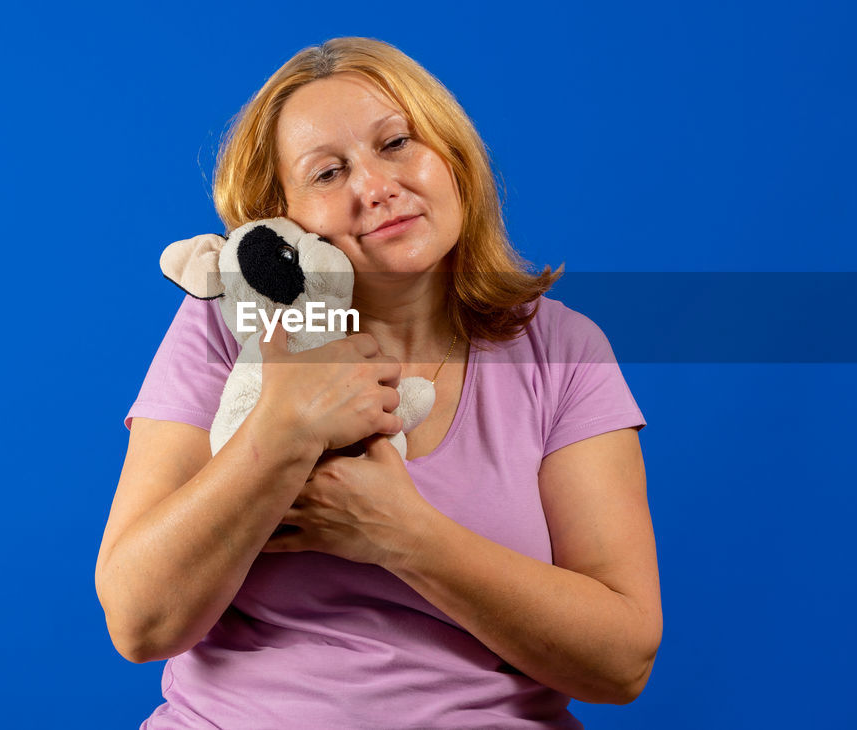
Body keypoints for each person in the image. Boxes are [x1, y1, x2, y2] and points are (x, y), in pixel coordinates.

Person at [95, 37, 662, 729]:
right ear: (283, 216)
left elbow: (622, 662)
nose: (375, 186)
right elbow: (138, 623)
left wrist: (399, 533)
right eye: (328, 173)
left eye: (396, 143)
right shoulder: (225, 324)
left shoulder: (563, 349)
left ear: (450, 154)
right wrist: (282, 427)